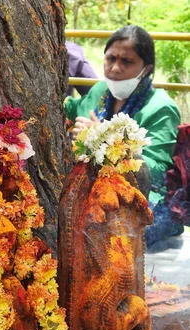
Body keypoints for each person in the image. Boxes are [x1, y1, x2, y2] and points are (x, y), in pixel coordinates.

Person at [65, 25, 183, 252]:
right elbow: (71, 109)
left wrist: (106, 139)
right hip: (91, 190)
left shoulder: (160, 107)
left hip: (141, 198)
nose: (115, 68)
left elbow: (157, 170)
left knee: (113, 236)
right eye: (110, 59)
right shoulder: (99, 91)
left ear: (146, 69)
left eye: (127, 62)